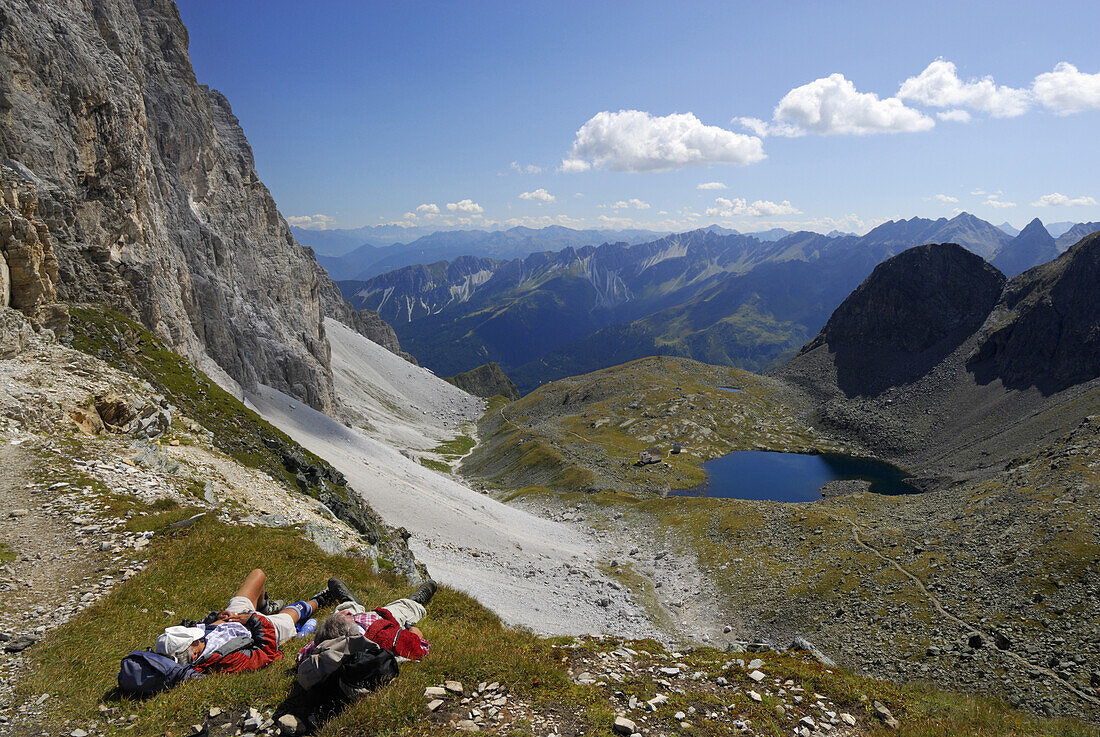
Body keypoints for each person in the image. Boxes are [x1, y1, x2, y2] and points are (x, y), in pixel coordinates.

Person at [153, 569, 357, 674]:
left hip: (236, 618)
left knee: (258, 575)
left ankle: (265, 607)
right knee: (290, 616)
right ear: (195, 653)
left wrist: (218, 617)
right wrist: (252, 620)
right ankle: (321, 599)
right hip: (260, 631)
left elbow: (202, 624)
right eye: (195, 639)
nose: (198, 635)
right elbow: (265, 653)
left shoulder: (191, 647)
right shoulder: (224, 662)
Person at [295, 579, 438, 705]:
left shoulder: (322, 647)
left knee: (341, 613)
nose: (348, 616)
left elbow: (302, 654)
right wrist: (414, 632)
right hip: (376, 620)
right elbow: (420, 648)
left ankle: (348, 601)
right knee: (400, 609)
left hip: (346, 629)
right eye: (347, 616)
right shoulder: (386, 637)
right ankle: (415, 602)